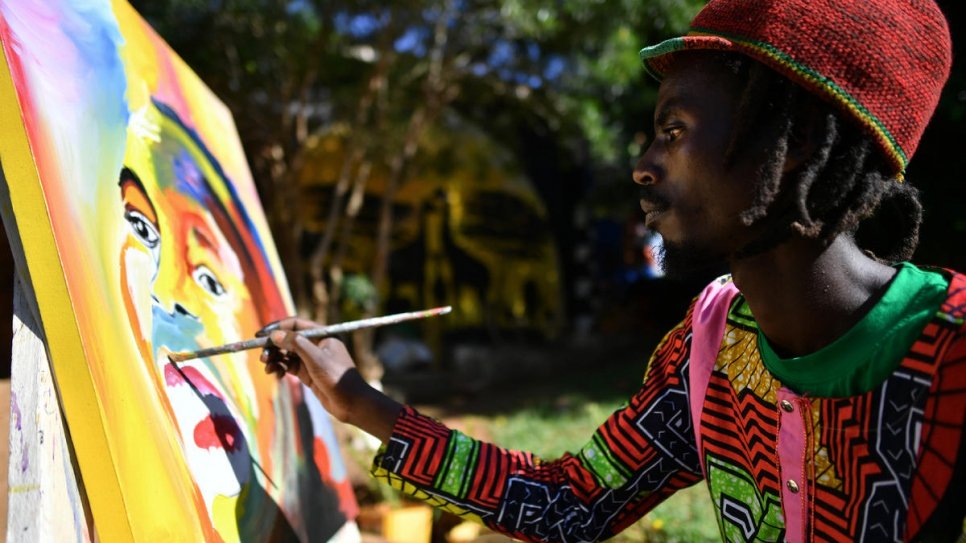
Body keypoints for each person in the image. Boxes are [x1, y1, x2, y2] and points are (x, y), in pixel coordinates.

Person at [260, 0, 966, 540]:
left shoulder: (950, 354)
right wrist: (357, 399)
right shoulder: (712, 348)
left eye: (674, 131)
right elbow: (571, 503)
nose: (643, 164)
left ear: (795, 143)